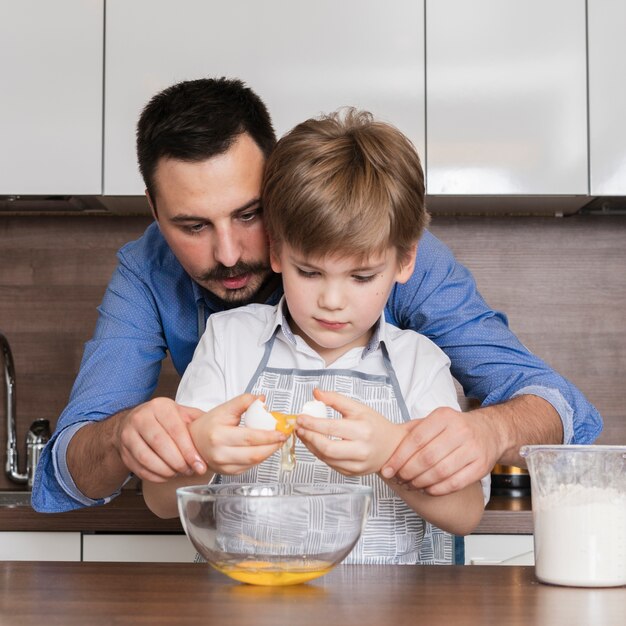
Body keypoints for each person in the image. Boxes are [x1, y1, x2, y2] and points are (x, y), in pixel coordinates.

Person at [30, 77, 601, 514]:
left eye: (249, 214)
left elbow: (556, 403)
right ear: (156, 214)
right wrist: (126, 439)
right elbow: (69, 468)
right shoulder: (149, 273)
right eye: (193, 226)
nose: (228, 254)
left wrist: (490, 432)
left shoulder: (397, 255)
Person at [142, 108, 487, 564]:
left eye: (362, 277)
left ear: (404, 262)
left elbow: (465, 514)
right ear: (278, 251)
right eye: (309, 271)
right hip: (248, 608)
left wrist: (391, 451)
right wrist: (202, 451)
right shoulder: (229, 342)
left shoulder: (419, 363)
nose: (332, 300)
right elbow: (159, 500)